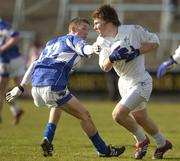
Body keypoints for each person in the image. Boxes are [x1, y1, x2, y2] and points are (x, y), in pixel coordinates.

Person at [6, 17, 125, 157]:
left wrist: (20, 87)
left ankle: (47, 138)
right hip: (53, 85)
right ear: (73, 29)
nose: (87, 33)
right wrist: (93, 48)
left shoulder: (51, 43)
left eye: (88, 29)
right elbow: (85, 49)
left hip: (36, 87)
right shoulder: (74, 39)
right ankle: (104, 150)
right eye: (84, 29)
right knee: (85, 116)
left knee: (57, 105)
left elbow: (34, 64)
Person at [92, 5, 172, 159]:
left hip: (141, 80)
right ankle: (163, 143)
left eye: (96, 22)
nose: (94, 26)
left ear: (108, 21)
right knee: (141, 118)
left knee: (118, 115)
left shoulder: (132, 30)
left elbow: (155, 42)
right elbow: (104, 67)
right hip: (124, 83)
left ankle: (141, 141)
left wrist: (136, 52)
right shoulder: (101, 41)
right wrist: (112, 57)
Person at [0, 18, 24, 125]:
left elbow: (17, 36)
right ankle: (16, 110)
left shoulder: (2, 25)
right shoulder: (3, 23)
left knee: (1, 92)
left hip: (6, 61)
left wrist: (2, 48)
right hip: (17, 59)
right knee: (20, 88)